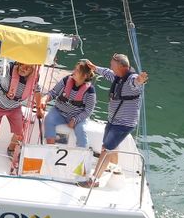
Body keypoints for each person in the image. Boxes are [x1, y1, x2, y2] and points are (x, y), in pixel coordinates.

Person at [90, 53, 150, 183]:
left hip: (124, 123)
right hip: (113, 120)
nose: (111, 67)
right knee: (111, 146)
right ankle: (115, 168)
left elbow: (136, 82)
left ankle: (94, 180)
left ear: (122, 67)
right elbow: (106, 72)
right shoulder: (118, 77)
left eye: (113, 65)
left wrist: (140, 80)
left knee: (106, 149)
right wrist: (94, 67)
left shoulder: (131, 79)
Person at [0, 62, 41, 158]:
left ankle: (11, 149)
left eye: (28, 68)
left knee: (19, 131)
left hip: (14, 107)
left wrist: (39, 108)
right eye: (22, 65)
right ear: (19, 63)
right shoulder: (9, 67)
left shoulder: (34, 77)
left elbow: (37, 92)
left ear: (32, 70)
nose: (24, 68)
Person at [38, 59, 98, 149]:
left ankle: (82, 154)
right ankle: (50, 149)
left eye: (77, 70)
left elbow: (88, 111)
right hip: (59, 112)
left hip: (77, 116)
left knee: (81, 130)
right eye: (75, 69)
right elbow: (53, 93)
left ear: (85, 76)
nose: (74, 71)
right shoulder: (66, 80)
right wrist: (44, 99)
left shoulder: (90, 91)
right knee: (49, 120)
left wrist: (75, 120)